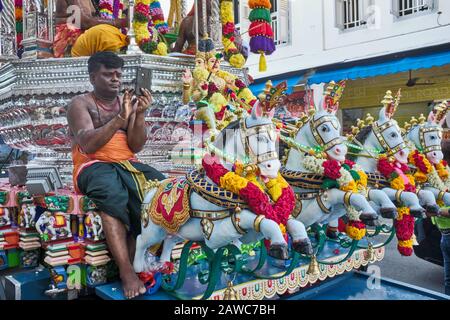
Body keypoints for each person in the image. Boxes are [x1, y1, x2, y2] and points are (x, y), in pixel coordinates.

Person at [67, 51, 165, 298]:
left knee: (163, 188)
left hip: (127, 162)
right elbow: (88, 144)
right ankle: (126, 271)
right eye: (108, 74)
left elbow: (136, 145)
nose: (115, 79)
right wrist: (119, 118)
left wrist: (139, 113)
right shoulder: (80, 104)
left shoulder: (127, 102)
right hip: (92, 165)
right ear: (92, 77)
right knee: (112, 196)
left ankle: (141, 258)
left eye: (118, 75)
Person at [54, 0, 128, 58]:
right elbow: (84, 22)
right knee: (103, 34)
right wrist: (123, 22)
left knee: (113, 34)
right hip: (68, 40)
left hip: (85, 38)